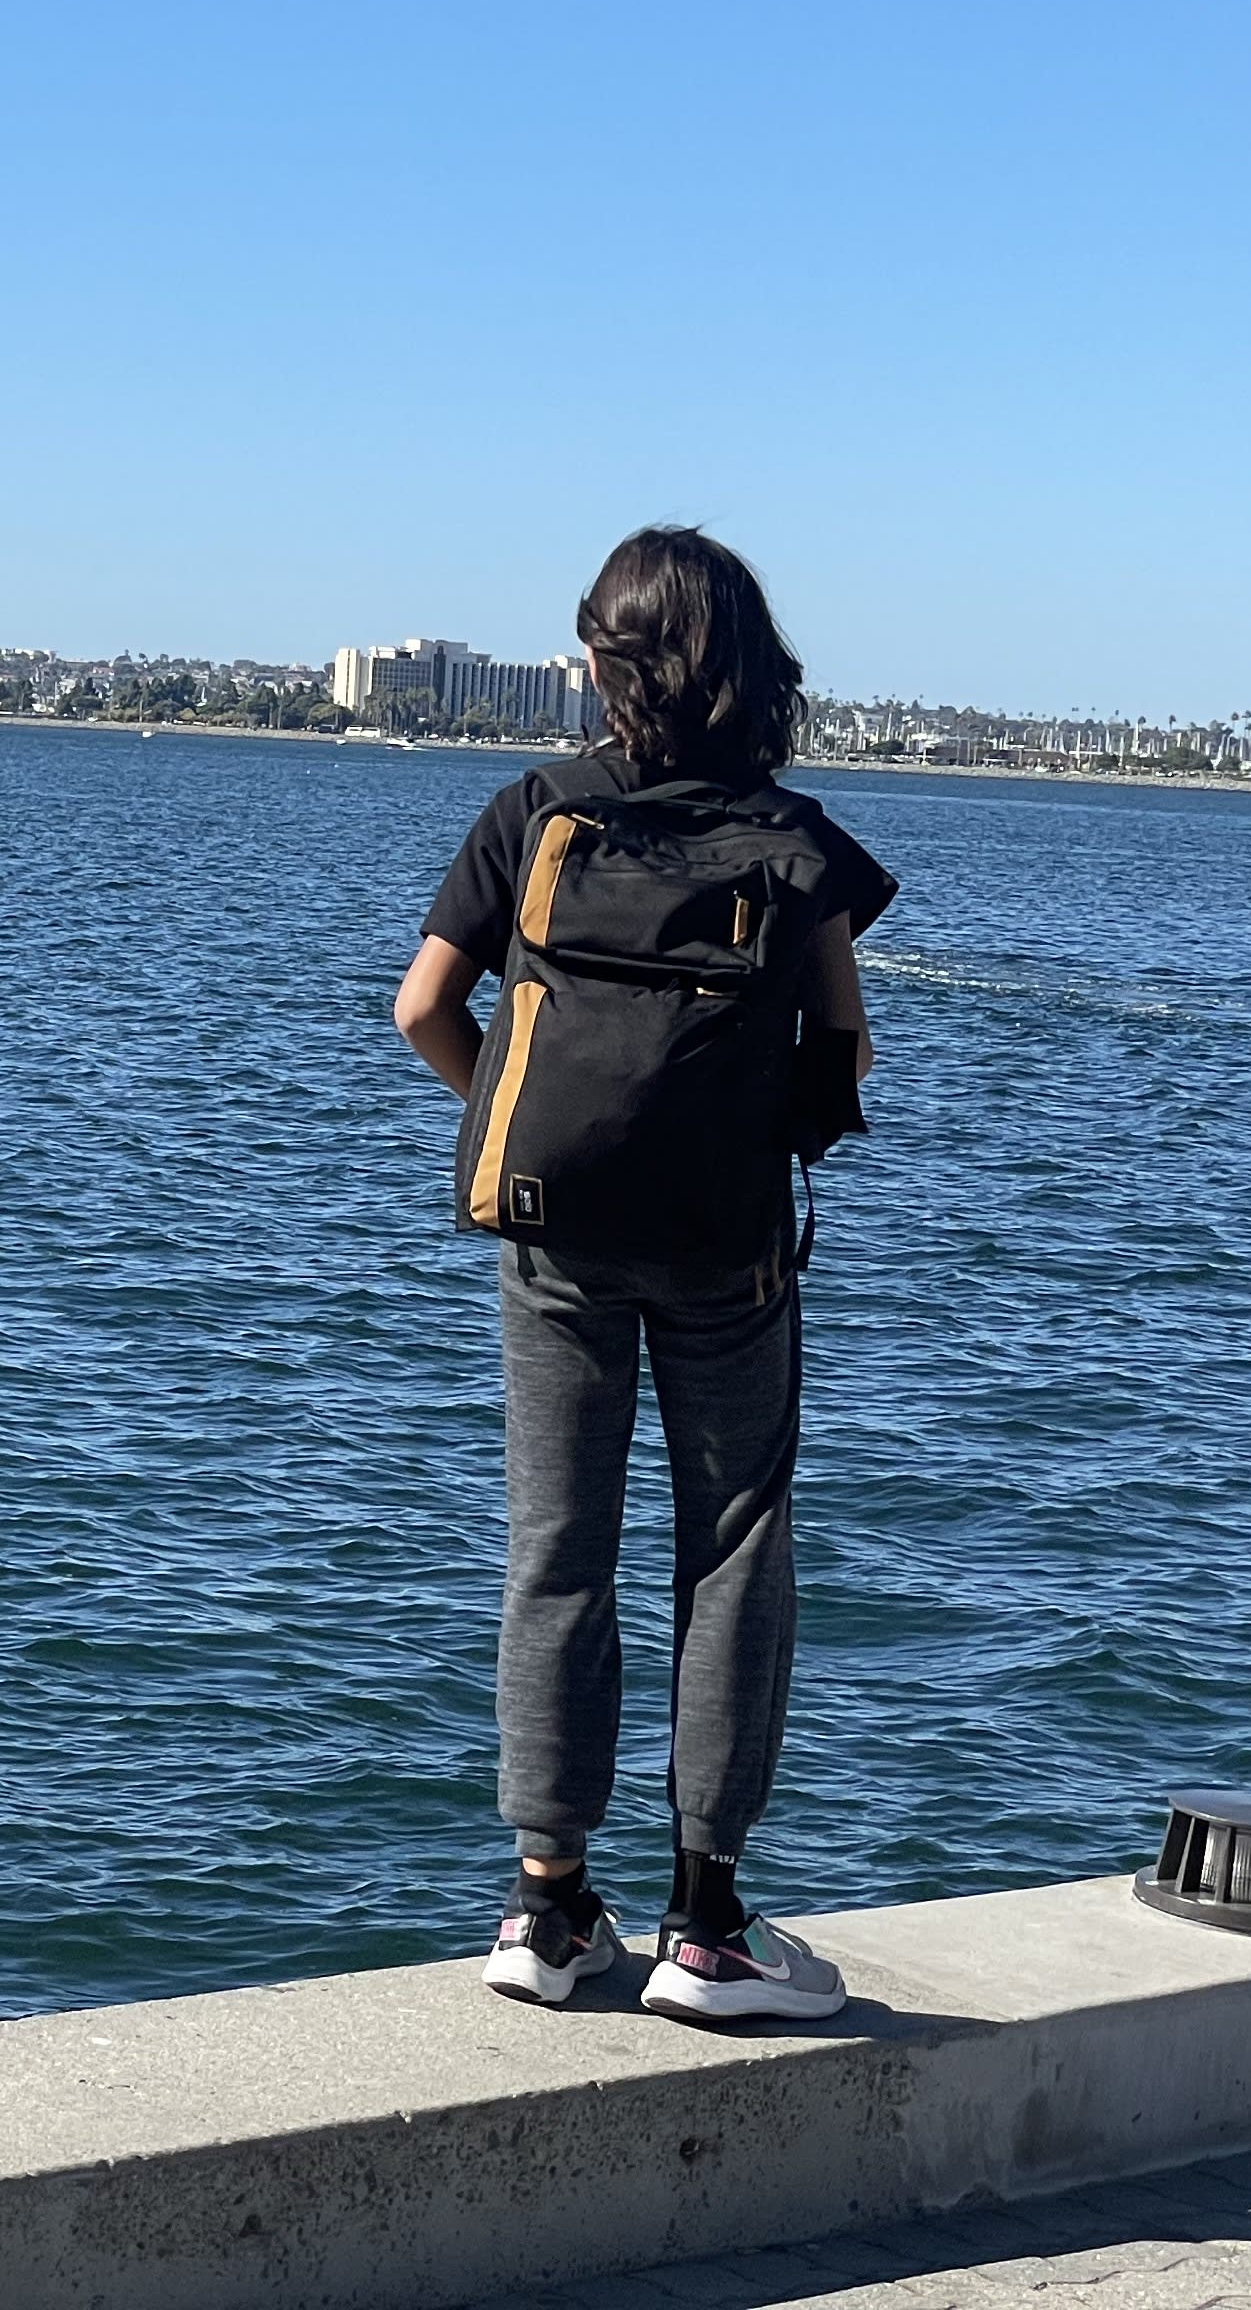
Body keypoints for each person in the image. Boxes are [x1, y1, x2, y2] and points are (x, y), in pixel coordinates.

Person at [390, 527, 892, 2025]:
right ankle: (709, 1929)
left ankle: (546, 1912)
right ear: (744, 663)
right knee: (731, 1548)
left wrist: (522, 1124)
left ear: (604, 666)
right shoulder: (794, 840)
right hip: (728, 1247)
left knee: (558, 1549)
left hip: (554, 1236)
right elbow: (846, 1049)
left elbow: (422, 1008)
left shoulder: (537, 810)